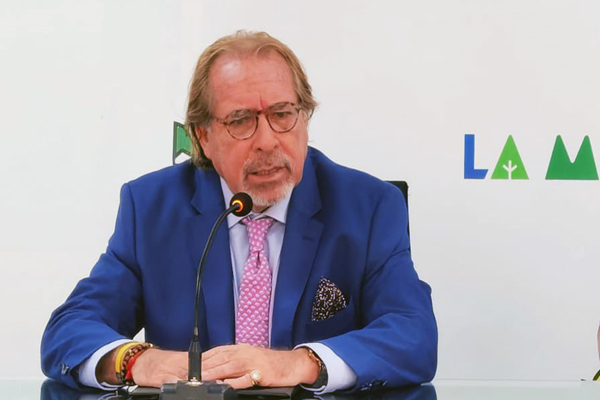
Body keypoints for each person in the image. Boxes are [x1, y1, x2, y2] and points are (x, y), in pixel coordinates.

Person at [41, 31, 437, 393]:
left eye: (282, 114)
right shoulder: (151, 207)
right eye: (241, 121)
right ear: (203, 136)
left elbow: (413, 334)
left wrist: (300, 363)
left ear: (304, 117)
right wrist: (137, 361)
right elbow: (69, 330)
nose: (267, 141)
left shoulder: (368, 206)